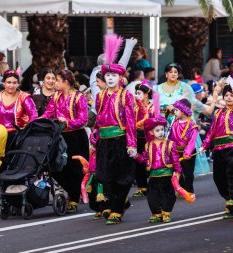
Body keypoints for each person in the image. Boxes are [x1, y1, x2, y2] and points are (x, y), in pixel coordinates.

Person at [92, 34, 136, 225]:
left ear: (120, 78)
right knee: (104, 176)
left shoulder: (126, 96)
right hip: (104, 140)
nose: (110, 78)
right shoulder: (100, 96)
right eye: (108, 75)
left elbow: (131, 121)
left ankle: (117, 210)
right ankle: (119, 201)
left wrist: (132, 144)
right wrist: (94, 139)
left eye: (114, 75)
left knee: (122, 176)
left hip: (120, 139)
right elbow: (98, 120)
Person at [42, 69, 88, 213]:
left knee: (75, 169)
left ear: (65, 82)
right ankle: (73, 192)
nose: (54, 83)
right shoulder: (55, 96)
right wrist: (37, 121)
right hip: (60, 137)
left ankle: (74, 198)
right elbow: (48, 114)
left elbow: (83, 120)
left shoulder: (79, 97)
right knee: (56, 167)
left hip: (76, 137)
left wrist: (67, 122)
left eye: (57, 80)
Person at [199, 85, 233, 219]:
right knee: (219, 177)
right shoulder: (218, 112)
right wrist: (204, 145)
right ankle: (230, 200)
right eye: (226, 95)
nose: (229, 98)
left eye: (231, 95)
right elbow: (211, 132)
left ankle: (232, 199)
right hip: (219, 149)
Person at [135, 116, 181, 223]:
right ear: (151, 132)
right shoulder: (147, 145)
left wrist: (177, 172)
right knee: (152, 196)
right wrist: (136, 156)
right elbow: (144, 160)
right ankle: (156, 213)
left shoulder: (170, 144)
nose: (161, 132)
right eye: (157, 130)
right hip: (153, 176)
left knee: (168, 195)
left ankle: (166, 212)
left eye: (162, 130)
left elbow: (176, 160)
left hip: (166, 175)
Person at [0, 70, 38, 149]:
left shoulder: (24, 97)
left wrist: (27, 130)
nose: (11, 85)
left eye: (14, 83)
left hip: (19, 136)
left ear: (18, 84)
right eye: (9, 82)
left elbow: (33, 114)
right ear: (4, 83)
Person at [89, 37, 137, 115]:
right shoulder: (99, 73)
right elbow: (121, 66)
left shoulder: (98, 72)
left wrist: (129, 45)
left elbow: (121, 66)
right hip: (100, 111)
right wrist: (129, 45)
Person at [168, 98, 198, 195]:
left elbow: (192, 141)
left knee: (188, 173)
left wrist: (188, 152)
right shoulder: (175, 123)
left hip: (188, 152)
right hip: (176, 152)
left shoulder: (192, 125)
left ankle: (189, 190)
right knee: (177, 171)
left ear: (184, 111)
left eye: (176, 110)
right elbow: (171, 137)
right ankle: (181, 188)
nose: (174, 112)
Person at [132, 83, 155, 197]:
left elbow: (157, 123)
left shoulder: (153, 107)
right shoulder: (135, 108)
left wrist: (145, 126)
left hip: (149, 138)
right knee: (138, 162)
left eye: (139, 93)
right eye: (136, 93)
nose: (137, 95)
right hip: (137, 138)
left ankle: (153, 185)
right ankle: (142, 187)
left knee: (151, 161)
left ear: (146, 95)